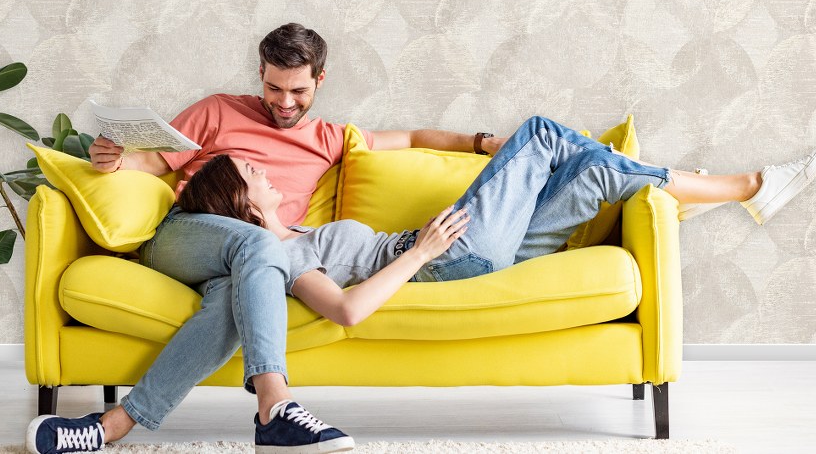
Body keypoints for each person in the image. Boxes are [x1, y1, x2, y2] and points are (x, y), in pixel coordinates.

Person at [26, 23, 507, 454]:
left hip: (254, 264)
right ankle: (275, 406)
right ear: (260, 73)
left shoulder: (328, 138)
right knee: (259, 244)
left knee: (235, 295)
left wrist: (483, 143)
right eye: (274, 87)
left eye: (298, 90)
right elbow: (152, 163)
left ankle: (110, 427)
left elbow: (412, 138)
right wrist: (114, 162)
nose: (284, 102)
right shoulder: (217, 110)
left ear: (320, 80)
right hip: (186, 235)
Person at [176, 116, 816, 327]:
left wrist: (480, 147)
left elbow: (403, 136)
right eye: (252, 173)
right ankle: (746, 186)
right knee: (541, 132)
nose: (265, 171)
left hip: (483, 254)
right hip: (448, 255)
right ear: (244, 204)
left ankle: (726, 192)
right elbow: (346, 311)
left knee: (597, 173)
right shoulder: (281, 257)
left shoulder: (293, 234)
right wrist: (420, 251)